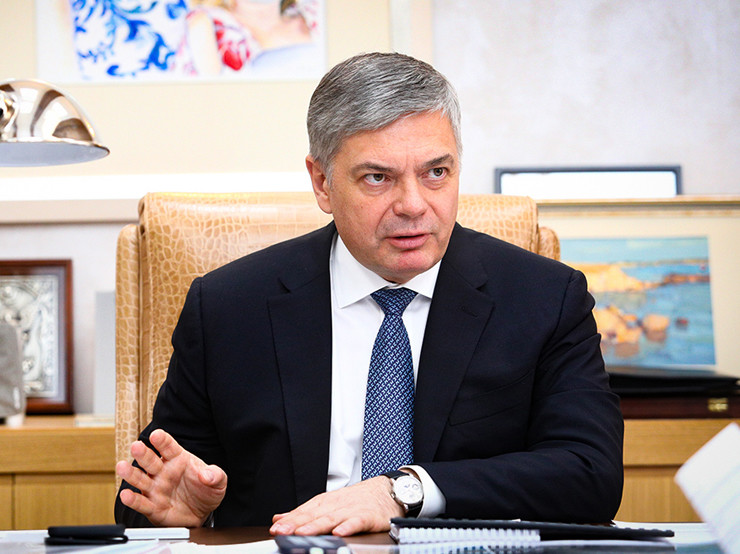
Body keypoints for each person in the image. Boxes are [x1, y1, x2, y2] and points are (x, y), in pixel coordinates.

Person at [115, 52, 624, 535]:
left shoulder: (544, 298)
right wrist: (184, 514)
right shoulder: (229, 307)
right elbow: (147, 494)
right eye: (378, 178)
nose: (413, 205)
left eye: (436, 173)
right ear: (322, 182)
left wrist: (403, 492)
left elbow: (590, 472)